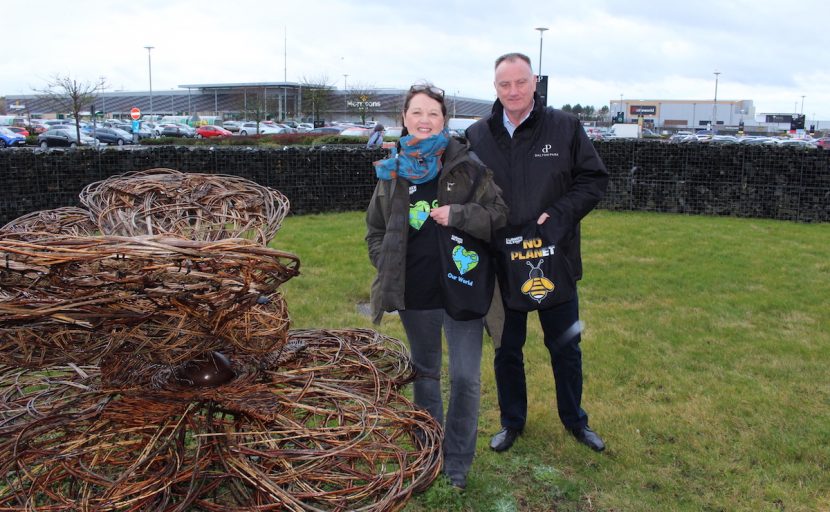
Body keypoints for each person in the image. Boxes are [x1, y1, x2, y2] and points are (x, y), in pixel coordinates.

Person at [366, 82, 507, 489]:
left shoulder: (468, 166)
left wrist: (460, 214)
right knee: (425, 374)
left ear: (444, 120)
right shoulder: (392, 172)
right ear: (404, 119)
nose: (425, 120)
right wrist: (390, 264)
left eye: (433, 113)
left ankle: (458, 463)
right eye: (417, 113)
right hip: (417, 293)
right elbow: (375, 230)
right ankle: (430, 454)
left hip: (463, 287)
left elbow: (499, 216)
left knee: (465, 378)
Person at [466, 53, 609, 454]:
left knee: (565, 346)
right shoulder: (477, 135)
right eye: (504, 84)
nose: (513, 91)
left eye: (520, 82)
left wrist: (557, 217)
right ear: (495, 88)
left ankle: (575, 421)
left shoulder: (565, 127)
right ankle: (512, 422)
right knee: (506, 349)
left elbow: (593, 179)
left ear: (534, 84)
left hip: (554, 260)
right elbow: (463, 192)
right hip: (501, 264)